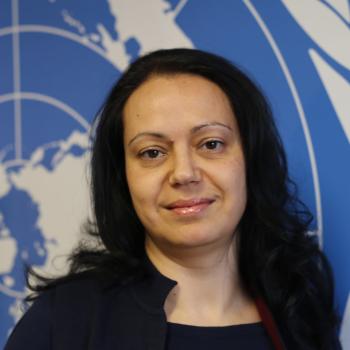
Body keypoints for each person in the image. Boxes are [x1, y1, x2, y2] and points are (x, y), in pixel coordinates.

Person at [5, 48, 341, 350]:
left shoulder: (301, 318)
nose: (184, 173)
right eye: (152, 152)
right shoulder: (63, 323)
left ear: (251, 160)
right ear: (122, 178)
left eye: (210, 144)